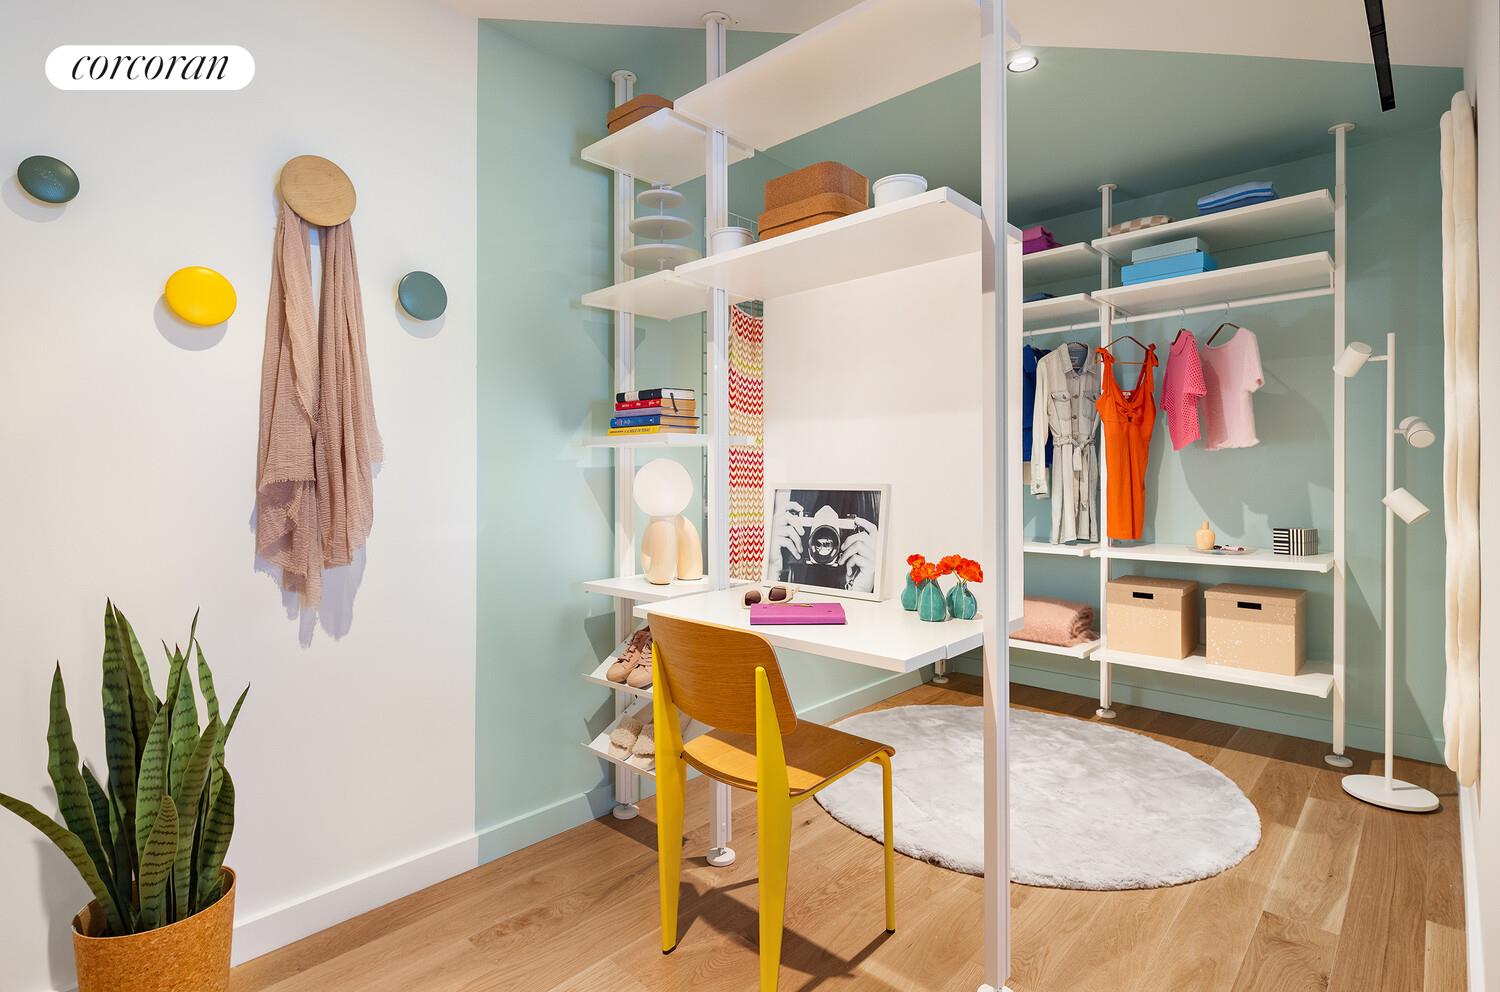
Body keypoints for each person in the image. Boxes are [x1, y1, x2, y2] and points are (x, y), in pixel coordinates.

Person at [769, 489, 881, 594]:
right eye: (815, 524)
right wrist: (772, 570)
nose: (823, 540)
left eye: (840, 525)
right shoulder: (789, 566)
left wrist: (861, 590)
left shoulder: (864, 562)